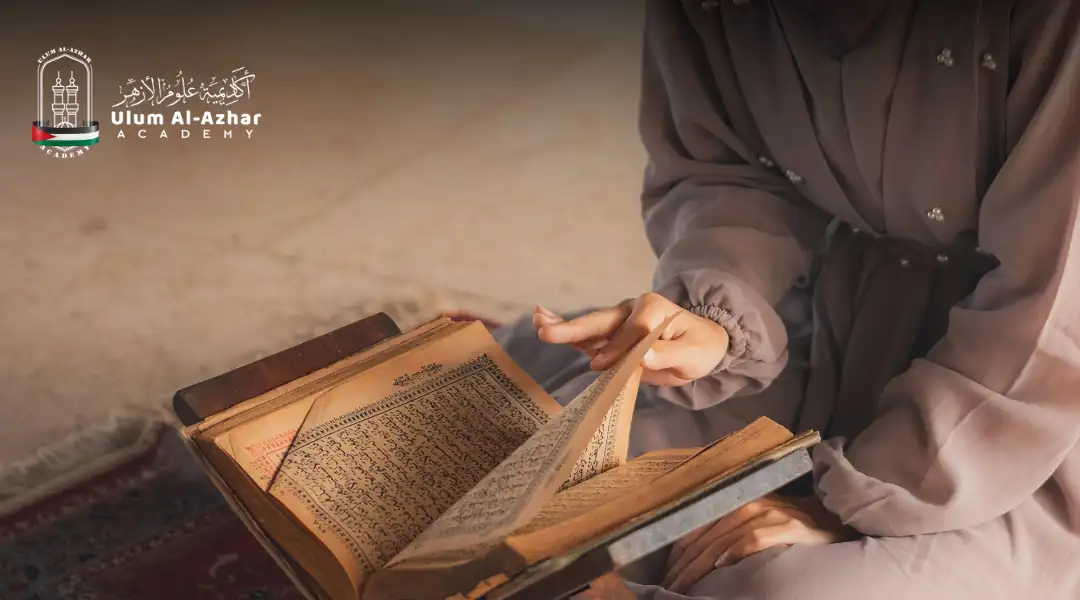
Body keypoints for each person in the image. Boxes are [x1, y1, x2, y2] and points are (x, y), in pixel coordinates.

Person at [493, 1, 1080, 598]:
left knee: (777, 587)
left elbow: (1053, 311)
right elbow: (725, 169)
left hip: (1029, 407)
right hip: (832, 318)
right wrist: (715, 320)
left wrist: (851, 505)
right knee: (548, 509)